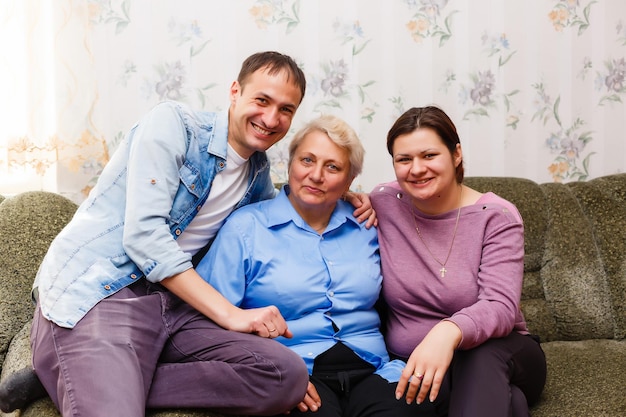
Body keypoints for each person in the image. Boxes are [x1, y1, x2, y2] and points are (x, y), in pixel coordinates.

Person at [0, 51, 376, 416]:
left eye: (285, 110)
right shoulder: (174, 125)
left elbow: (290, 204)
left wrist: (340, 192)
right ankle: (84, 372)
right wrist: (230, 315)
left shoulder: (257, 177)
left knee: (285, 375)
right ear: (234, 92)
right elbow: (145, 236)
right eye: (262, 100)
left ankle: (78, 376)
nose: (271, 117)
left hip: (172, 307)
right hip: (104, 292)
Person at [196, 114, 436, 417]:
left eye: (333, 167)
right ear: (290, 163)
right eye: (307, 160)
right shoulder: (245, 228)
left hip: (376, 370)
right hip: (294, 371)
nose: (316, 175)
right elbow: (210, 321)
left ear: (350, 180)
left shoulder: (368, 225)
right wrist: (271, 374)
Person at [370, 106, 547, 416]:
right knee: (508, 403)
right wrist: (348, 198)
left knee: (477, 355)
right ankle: (509, 403)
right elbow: (325, 197)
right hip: (417, 366)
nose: (416, 169)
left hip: (501, 351)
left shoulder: (497, 216)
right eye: (404, 159)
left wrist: (447, 331)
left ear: (456, 154)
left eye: (429, 155)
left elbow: (500, 306)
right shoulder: (385, 202)